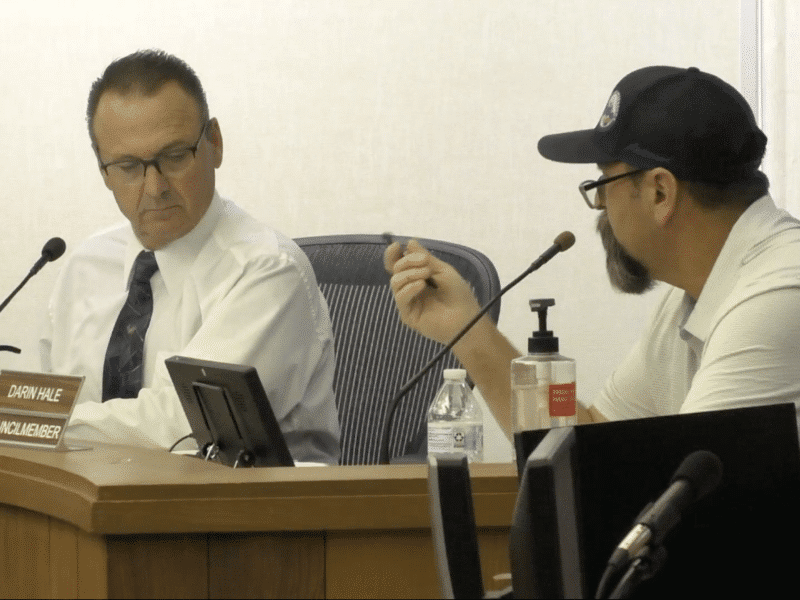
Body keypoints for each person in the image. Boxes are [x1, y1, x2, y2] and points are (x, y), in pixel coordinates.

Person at [385, 65, 800, 436]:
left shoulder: (779, 294)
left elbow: (690, 505)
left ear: (660, 192)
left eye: (603, 185)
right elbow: (590, 449)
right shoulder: (693, 298)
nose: (599, 208)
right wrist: (467, 328)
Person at [40, 49, 340, 463]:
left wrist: (37, 422)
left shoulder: (267, 271)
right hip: (95, 516)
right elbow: (45, 397)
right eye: (128, 166)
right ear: (102, 170)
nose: (154, 186)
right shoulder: (86, 267)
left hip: (246, 519)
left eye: (175, 156)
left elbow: (185, 428)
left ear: (214, 143)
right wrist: (31, 417)